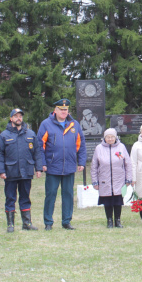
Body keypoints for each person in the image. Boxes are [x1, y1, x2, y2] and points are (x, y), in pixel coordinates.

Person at [38, 99, 86, 231]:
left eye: (66, 110)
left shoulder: (74, 124)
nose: (64, 112)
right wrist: (42, 163)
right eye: (61, 109)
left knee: (68, 195)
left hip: (69, 166)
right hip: (53, 166)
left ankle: (66, 221)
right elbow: (40, 145)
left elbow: (81, 144)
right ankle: (48, 222)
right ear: (55, 110)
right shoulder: (46, 124)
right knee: (51, 194)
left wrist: (81, 161)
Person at [0, 108, 43, 233]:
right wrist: (1, 171)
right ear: (11, 118)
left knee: (25, 197)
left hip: (26, 171)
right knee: (10, 198)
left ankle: (27, 223)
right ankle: (10, 224)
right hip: (10, 172)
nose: (18, 118)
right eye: (15, 116)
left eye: (20, 116)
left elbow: (37, 152)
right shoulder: (4, 136)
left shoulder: (30, 134)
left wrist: (38, 168)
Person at [90, 128, 132, 228]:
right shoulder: (99, 148)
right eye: (108, 137)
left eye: (112, 137)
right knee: (107, 201)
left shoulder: (121, 147)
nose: (110, 139)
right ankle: (109, 220)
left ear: (115, 137)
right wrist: (95, 181)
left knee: (118, 200)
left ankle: (118, 220)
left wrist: (128, 178)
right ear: (104, 138)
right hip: (105, 179)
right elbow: (94, 166)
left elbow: (128, 164)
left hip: (119, 179)